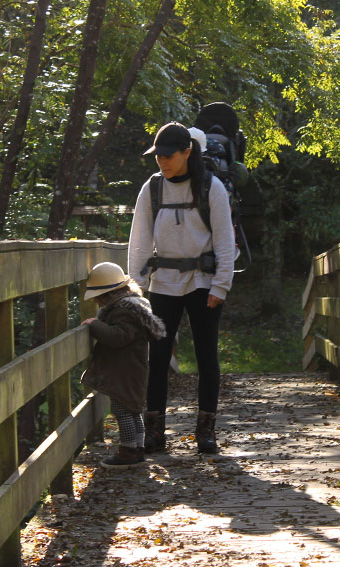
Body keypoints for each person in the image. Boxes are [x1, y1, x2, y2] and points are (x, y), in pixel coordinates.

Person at [128, 121, 235, 454]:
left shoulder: (211, 187)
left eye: (168, 156)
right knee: (157, 358)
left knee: (206, 357)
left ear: (187, 152)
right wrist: (135, 288)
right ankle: (155, 432)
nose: (162, 162)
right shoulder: (152, 188)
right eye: (157, 156)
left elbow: (225, 240)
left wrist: (221, 285)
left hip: (203, 282)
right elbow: (140, 241)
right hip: (163, 283)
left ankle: (205, 432)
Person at [80, 262, 167, 469]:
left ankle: (128, 450)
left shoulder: (124, 312)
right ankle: (137, 448)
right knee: (133, 409)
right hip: (131, 368)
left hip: (125, 370)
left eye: (99, 300)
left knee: (122, 409)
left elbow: (118, 337)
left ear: (108, 295)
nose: (99, 305)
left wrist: (95, 325)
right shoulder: (134, 306)